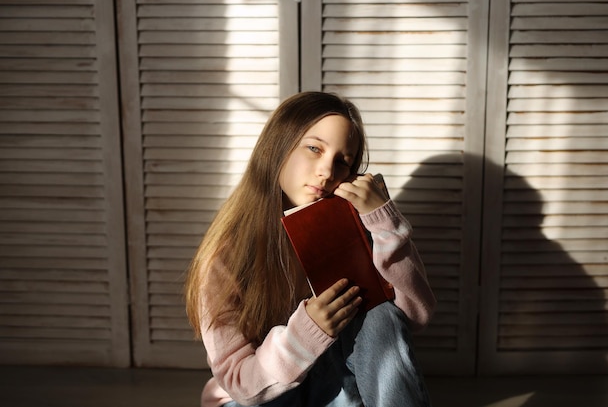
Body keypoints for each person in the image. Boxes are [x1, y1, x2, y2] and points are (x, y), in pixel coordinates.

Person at [185, 91, 437, 407]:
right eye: (314, 148)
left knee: (381, 312)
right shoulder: (225, 256)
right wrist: (307, 332)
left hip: (337, 389)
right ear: (278, 148)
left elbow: (414, 316)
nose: (327, 171)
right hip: (258, 398)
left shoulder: (357, 226)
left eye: (342, 162)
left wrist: (385, 221)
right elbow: (239, 383)